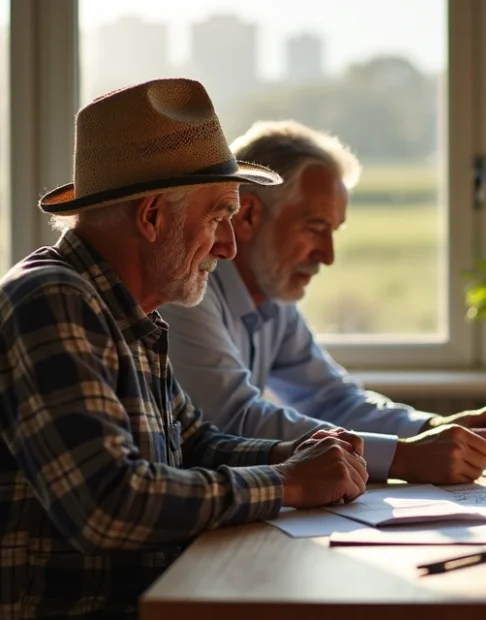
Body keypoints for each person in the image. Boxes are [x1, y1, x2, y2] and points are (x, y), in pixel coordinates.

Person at [0, 79, 369, 619]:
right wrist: (288, 482)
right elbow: (109, 504)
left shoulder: (128, 309)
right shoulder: (51, 301)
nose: (229, 244)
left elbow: (194, 442)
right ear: (151, 216)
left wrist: (297, 456)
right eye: (219, 215)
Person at [159, 120, 486, 484]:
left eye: (333, 231)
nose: (328, 255)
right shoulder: (187, 289)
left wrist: (432, 426)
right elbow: (233, 420)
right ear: (249, 215)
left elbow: (332, 399)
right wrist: (403, 455)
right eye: (315, 227)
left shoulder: (273, 300)